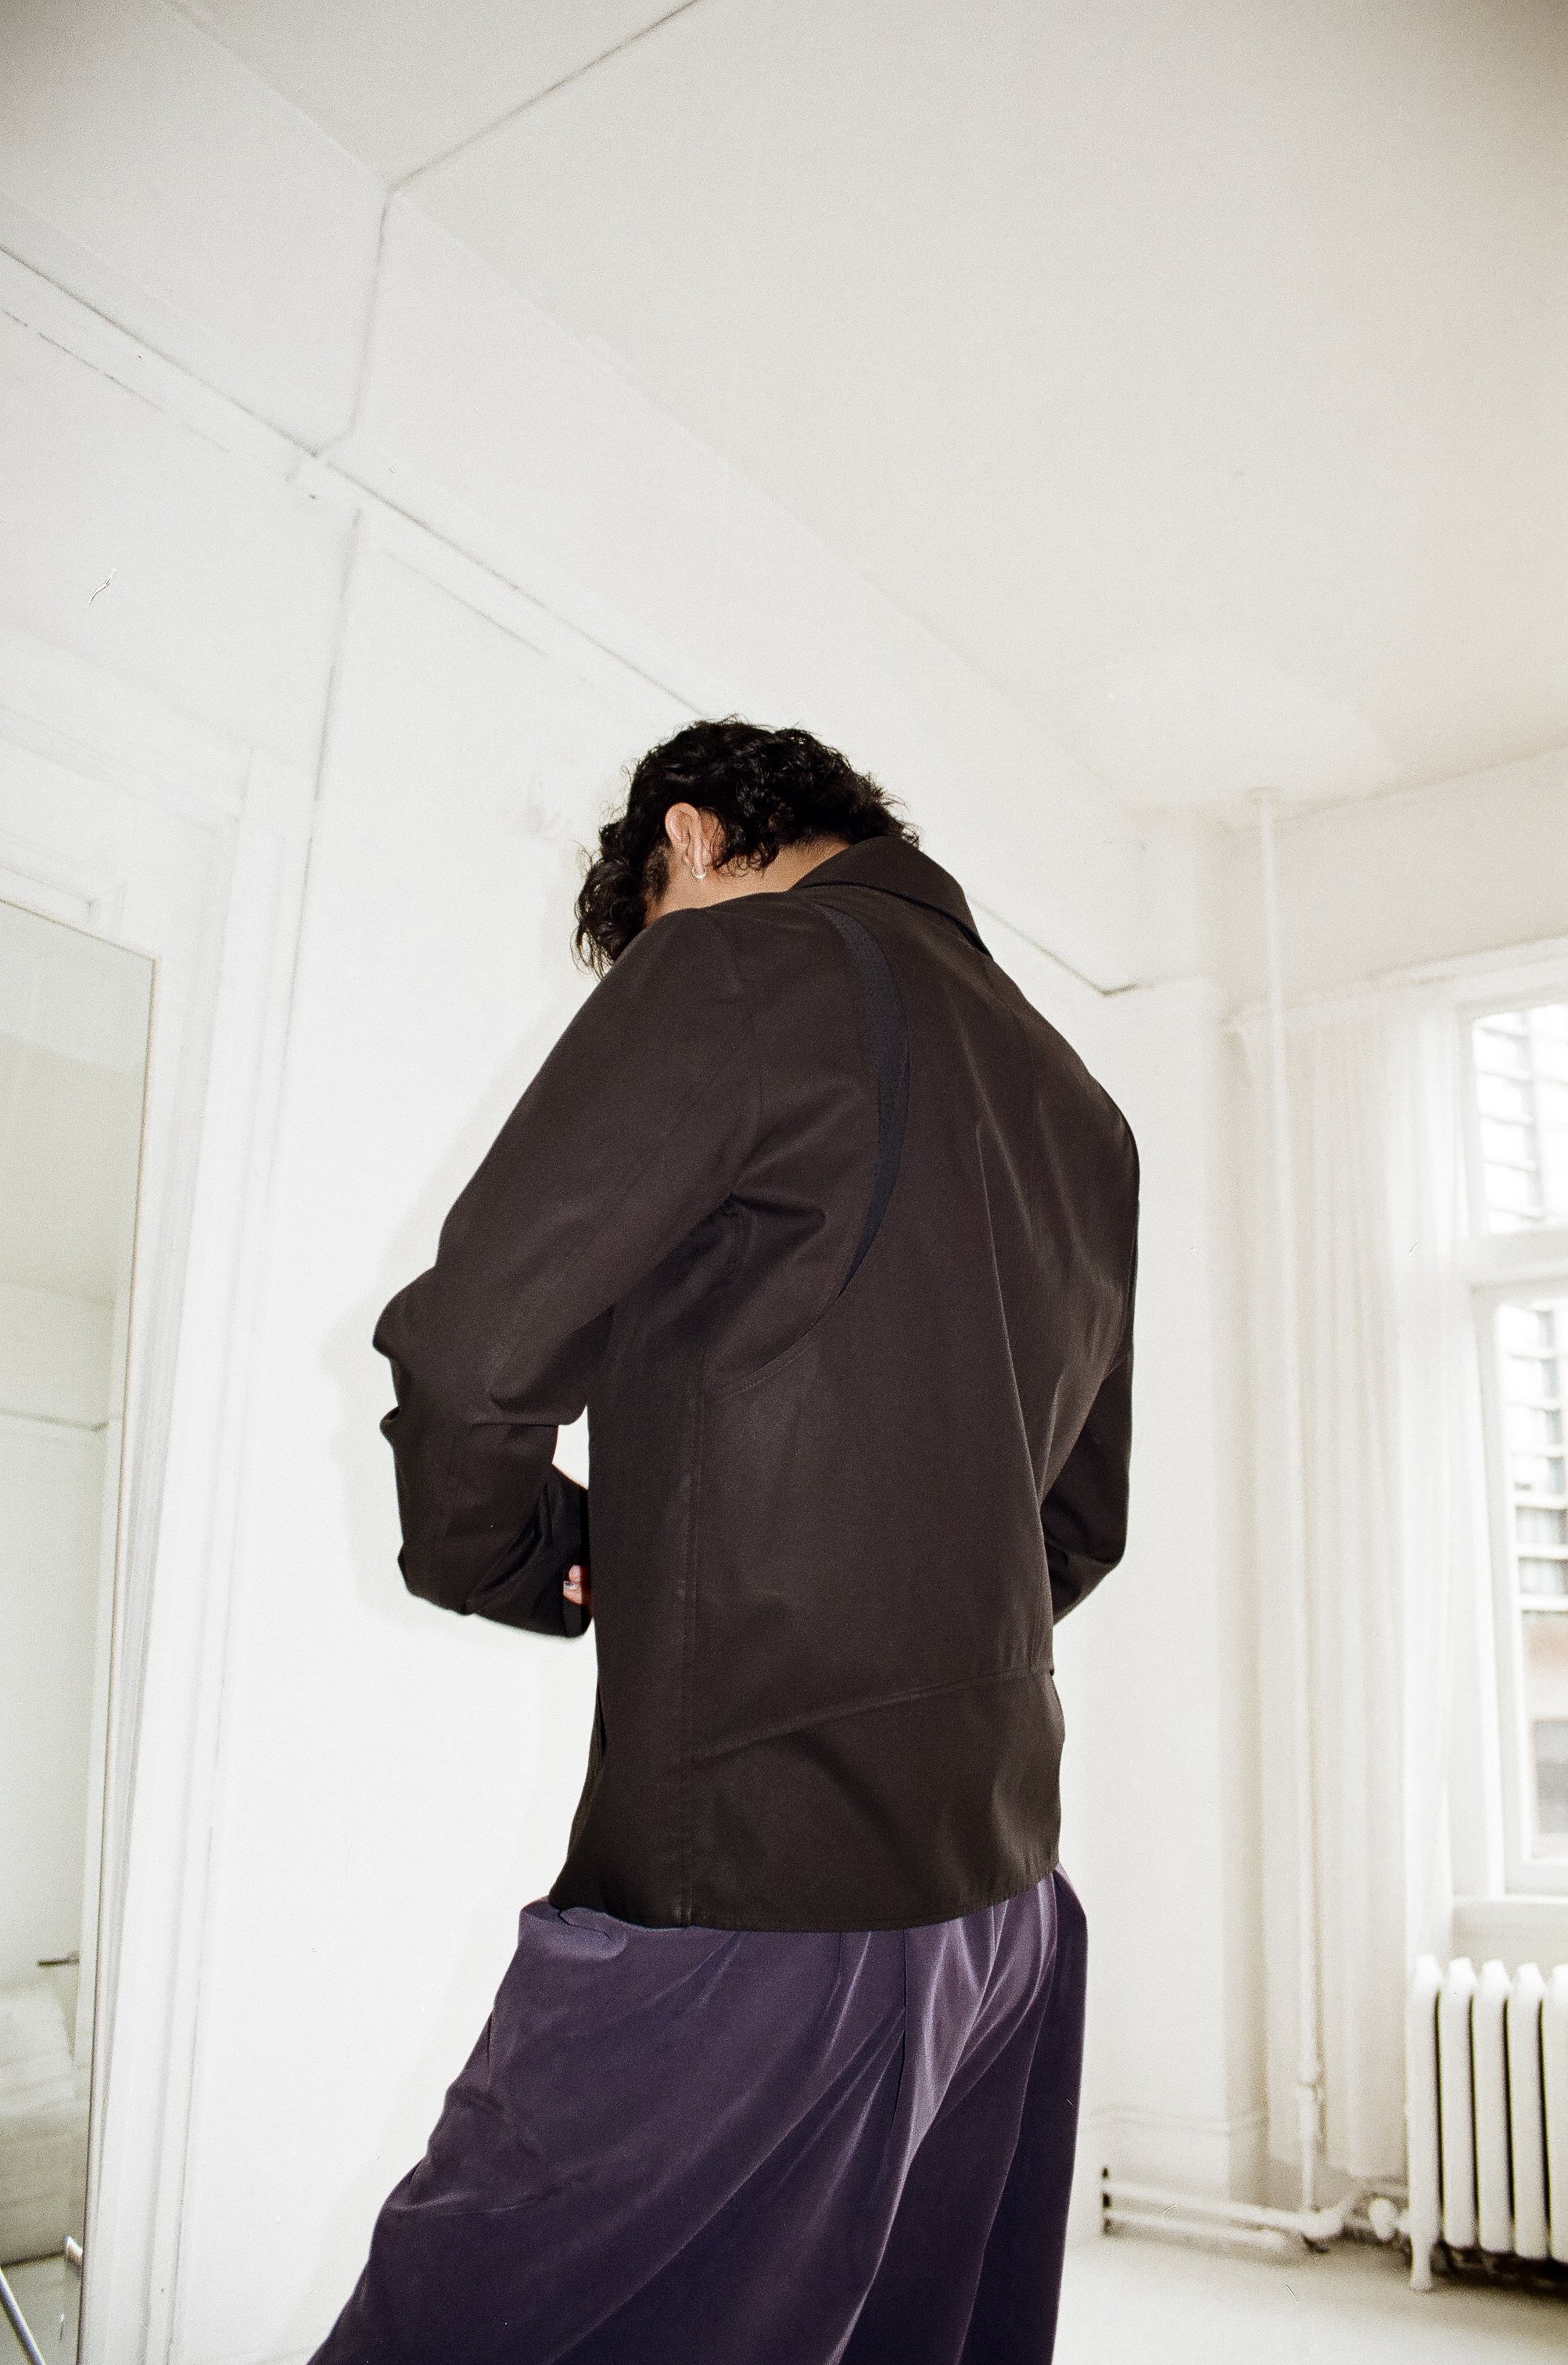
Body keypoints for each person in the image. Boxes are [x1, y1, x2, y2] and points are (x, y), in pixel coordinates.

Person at [310, 718, 1139, 2365]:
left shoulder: (747, 962)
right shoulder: (1082, 1106)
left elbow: (472, 1356)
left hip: (761, 1899)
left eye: (650, 930)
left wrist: (523, 1558)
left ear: (687, 839)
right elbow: (1078, 1525)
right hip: (1006, 1912)